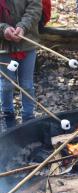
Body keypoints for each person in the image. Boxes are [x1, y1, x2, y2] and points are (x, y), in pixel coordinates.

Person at [0, 0, 42, 128]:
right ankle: (8, 115)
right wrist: (3, 29)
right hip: (3, 47)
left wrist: (23, 26)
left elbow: (35, 7)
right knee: (6, 84)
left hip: (27, 43)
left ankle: (28, 117)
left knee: (27, 84)